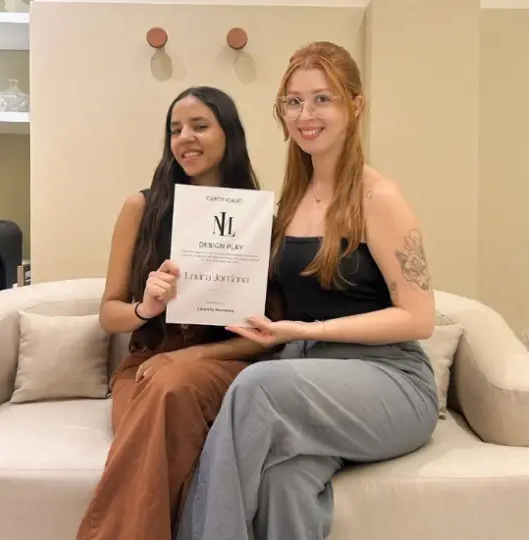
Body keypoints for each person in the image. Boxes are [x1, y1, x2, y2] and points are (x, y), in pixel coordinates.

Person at [175, 41, 440, 540]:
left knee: (254, 388)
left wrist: (306, 330)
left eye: (322, 99)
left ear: (355, 106)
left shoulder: (378, 197)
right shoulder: (292, 199)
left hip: (390, 381)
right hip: (311, 377)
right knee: (282, 482)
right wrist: (183, 280)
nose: (305, 115)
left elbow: (419, 318)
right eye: (293, 102)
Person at [76, 86, 282, 540]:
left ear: (229, 135)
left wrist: (188, 357)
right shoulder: (141, 208)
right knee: (161, 419)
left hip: (222, 362)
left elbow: (265, 336)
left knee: (173, 388)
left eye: (199, 126)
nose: (184, 138)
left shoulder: (258, 219)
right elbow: (109, 314)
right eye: (175, 129)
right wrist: (144, 308)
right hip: (145, 366)